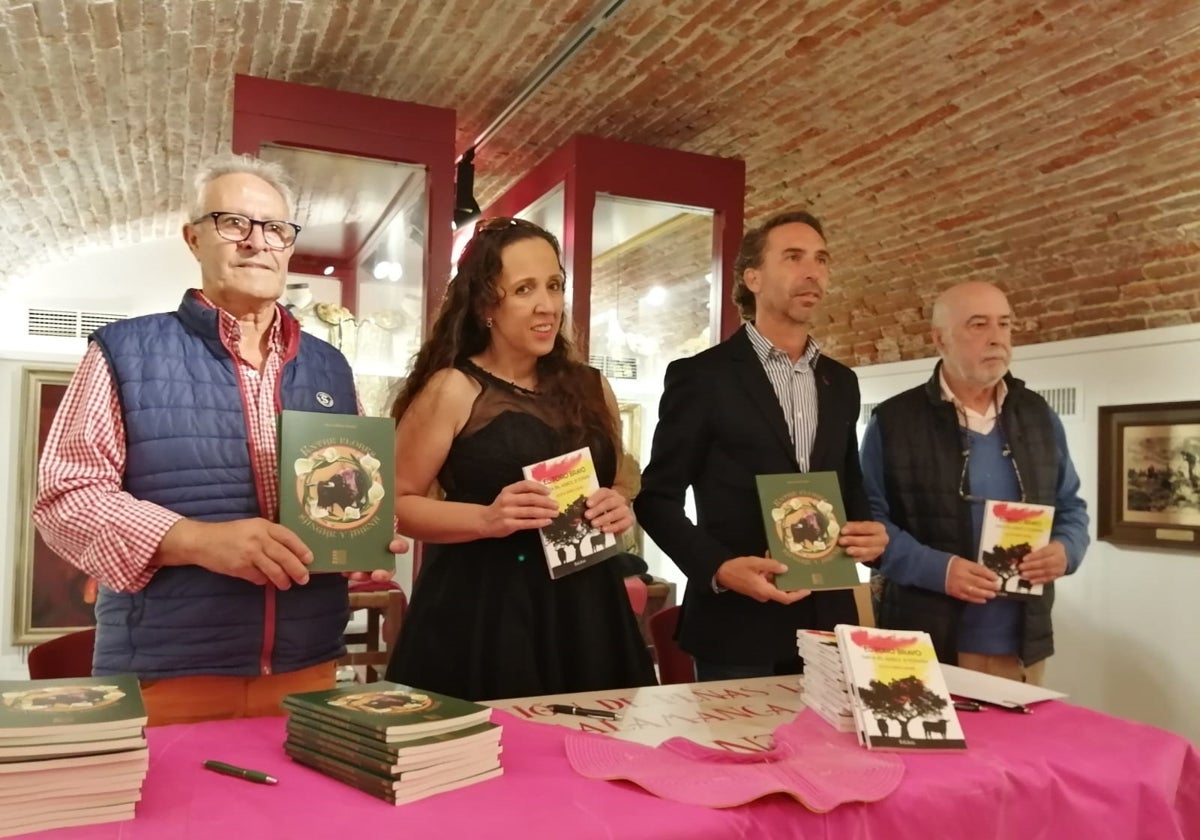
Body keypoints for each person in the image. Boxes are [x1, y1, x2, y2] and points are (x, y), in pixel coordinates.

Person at [33, 154, 406, 725]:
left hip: (308, 669)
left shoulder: (331, 366)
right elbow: (66, 498)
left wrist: (360, 542)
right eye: (234, 223)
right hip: (166, 675)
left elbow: (345, 490)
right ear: (194, 238)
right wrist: (197, 541)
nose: (257, 242)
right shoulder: (125, 351)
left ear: (289, 246)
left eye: (276, 229)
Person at [384, 217, 655, 701]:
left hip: (588, 608)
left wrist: (617, 504)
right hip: (484, 611)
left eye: (554, 286)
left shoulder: (593, 388)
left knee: (596, 761)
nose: (547, 305)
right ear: (487, 303)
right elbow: (395, 504)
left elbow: (613, 486)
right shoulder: (453, 389)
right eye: (525, 289)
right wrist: (487, 518)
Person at [634, 210, 888, 681]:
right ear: (752, 276)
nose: (812, 271)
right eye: (793, 257)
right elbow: (656, 500)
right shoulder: (702, 377)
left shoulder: (842, 382)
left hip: (829, 625)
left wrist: (871, 534)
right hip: (736, 625)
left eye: (821, 259)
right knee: (741, 757)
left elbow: (848, 485)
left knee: (826, 757)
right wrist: (718, 567)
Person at [859, 281, 1089, 684]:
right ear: (939, 339)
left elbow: (1071, 509)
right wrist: (941, 570)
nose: (997, 338)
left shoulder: (1038, 415)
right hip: (924, 646)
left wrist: (1065, 550)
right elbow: (869, 527)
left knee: (1019, 750)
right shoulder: (894, 422)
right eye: (978, 325)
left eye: (1005, 324)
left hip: (1021, 648)